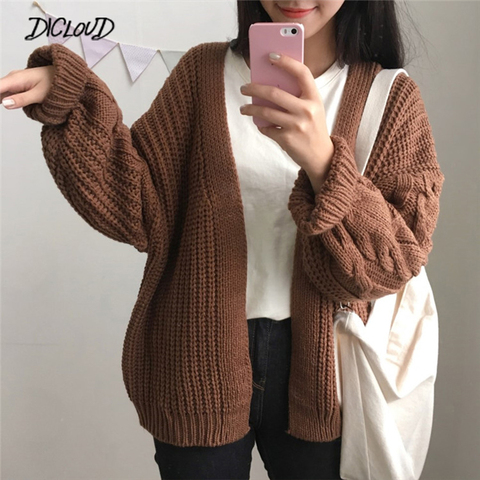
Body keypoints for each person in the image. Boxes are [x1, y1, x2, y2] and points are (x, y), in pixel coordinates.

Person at [0, 1, 445, 479]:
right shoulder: (203, 74)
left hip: (327, 375)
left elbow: (395, 262)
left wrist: (322, 160)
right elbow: (138, 207)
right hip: (196, 357)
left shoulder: (389, 97)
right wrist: (70, 97)